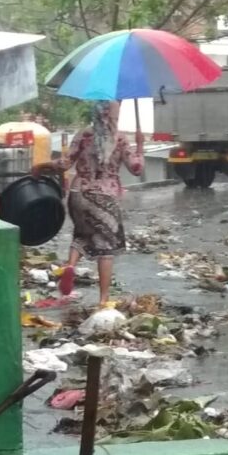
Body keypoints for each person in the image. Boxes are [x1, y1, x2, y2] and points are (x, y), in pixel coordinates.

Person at [33, 101, 143, 307]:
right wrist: (141, 146)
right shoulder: (120, 139)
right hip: (104, 197)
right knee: (106, 247)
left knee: (82, 234)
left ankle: (70, 266)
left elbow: (64, 164)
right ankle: (103, 299)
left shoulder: (84, 134)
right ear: (113, 114)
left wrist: (42, 166)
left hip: (77, 194)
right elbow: (136, 168)